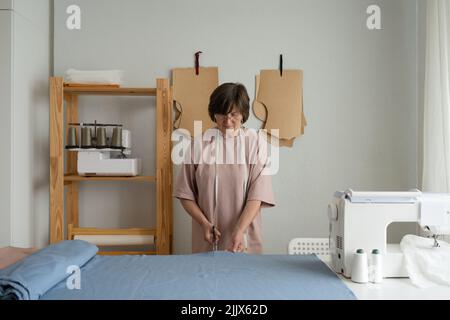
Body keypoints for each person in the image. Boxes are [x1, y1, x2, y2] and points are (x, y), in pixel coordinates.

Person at [174, 83, 275, 254]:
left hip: (244, 239)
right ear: (213, 114)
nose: (227, 121)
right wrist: (204, 224)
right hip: (207, 238)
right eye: (221, 114)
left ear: (243, 114)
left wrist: (239, 230)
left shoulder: (255, 143)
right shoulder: (199, 144)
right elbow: (185, 193)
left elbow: (257, 195)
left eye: (233, 114)